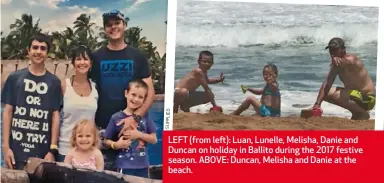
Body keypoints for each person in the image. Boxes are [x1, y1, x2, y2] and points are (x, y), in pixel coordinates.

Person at [90, 9, 155, 170]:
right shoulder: (96, 57)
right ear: (104, 30)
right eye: (109, 25)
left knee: (133, 174)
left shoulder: (137, 57)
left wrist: (135, 118)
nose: (113, 27)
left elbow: (150, 93)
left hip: (133, 130)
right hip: (105, 128)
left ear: (124, 25)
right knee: (104, 176)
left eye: (117, 23)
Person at [1, 33, 61, 170]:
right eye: (35, 48)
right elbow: (8, 112)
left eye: (42, 48)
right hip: (16, 152)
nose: (38, 52)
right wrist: (5, 147)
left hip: (42, 153)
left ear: (47, 53)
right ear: (28, 51)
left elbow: (55, 116)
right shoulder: (14, 78)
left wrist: (52, 150)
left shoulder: (54, 82)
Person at [103, 79, 157, 178]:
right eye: (133, 94)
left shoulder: (145, 116)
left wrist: (139, 134)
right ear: (126, 93)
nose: (136, 99)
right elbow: (105, 140)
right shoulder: (116, 117)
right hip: (124, 166)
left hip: (143, 166)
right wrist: (116, 145)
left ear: (144, 100)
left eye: (140, 97)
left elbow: (154, 139)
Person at [312, 37, 376, 120]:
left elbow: (347, 62)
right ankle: (356, 112)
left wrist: (338, 60)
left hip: (368, 99)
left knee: (337, 95)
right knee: (325, 93)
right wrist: (317, 104)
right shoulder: (336, 65)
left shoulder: (352, 59)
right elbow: (328, 82)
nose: (332, 52)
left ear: (343, 49)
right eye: (330, 49)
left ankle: (363, 114)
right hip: (355, 96)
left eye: (335, 49)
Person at [57, 46, 98, 162]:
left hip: (88, 151)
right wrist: (52, 147)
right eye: (78, 59)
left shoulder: (95, 87)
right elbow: (54, 116)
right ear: (73, 63)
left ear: (91, 63)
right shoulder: (64, 86)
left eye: (86, 59)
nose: (82, 62)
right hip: (65, 149)